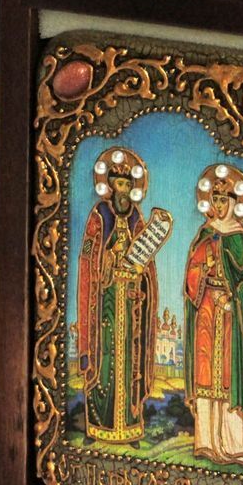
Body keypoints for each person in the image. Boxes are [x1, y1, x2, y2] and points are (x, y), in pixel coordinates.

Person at [77, 147, 163, 445]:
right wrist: (109, 258)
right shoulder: (99, 216)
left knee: (130, 362)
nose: (122, 189)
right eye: (118, 184)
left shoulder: (137, 217)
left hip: (131, 302)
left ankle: (130, 426)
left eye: (127, 184)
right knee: (104, 362)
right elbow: (88, 258)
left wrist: (141, 274)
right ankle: (98, 426)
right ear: (110, 186)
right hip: (106, 301)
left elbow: (147, 262)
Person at [184, 164, 243, 466]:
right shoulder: (205, 234)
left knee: (227, 379)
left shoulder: (239, 237)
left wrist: (234, 298)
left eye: (224, 200)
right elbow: (191, 276)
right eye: (215, 199)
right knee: (205, 377)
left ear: (234, 202)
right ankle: (206, 443)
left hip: (229, 316)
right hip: (206, 312)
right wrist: (202, 269)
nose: (218, 205)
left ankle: (232, 446)